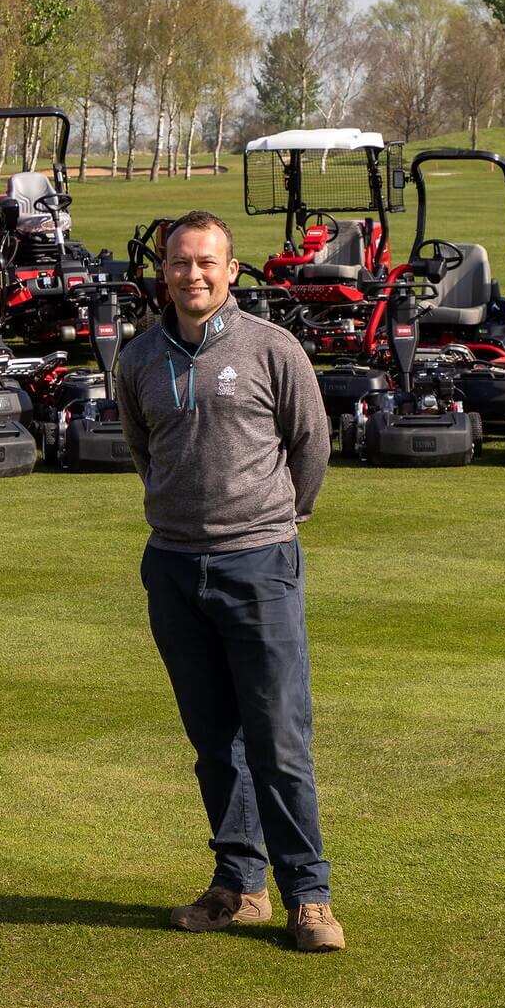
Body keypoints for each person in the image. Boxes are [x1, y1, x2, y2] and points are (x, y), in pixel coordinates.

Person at [114, 209, 342, 952]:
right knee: (215, 742)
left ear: (232, 270)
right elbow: (144, 447)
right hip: (173, 566)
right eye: (181, 262)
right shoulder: (139, 356)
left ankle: (309, 898)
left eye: (207, 262)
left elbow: (310, 444)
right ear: (165, 272)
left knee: (280, 741)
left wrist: (276, 521)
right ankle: (239, 886)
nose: (193, 274)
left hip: (259, 564)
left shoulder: (272, 349)